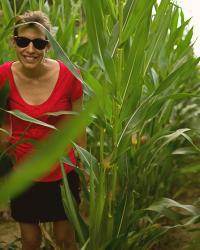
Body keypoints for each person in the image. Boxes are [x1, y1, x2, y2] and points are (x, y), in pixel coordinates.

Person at [0, 10, 86, 250]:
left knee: (65, 239)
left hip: (61, 170)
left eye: (38, 42)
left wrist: (86, 163)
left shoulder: (69, 74)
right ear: (13, 42)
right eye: (22, 41)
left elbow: (78, 121)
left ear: (48, 45)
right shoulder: (3, 74)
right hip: (22, 171)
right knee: (29, 241)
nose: (30, 49)